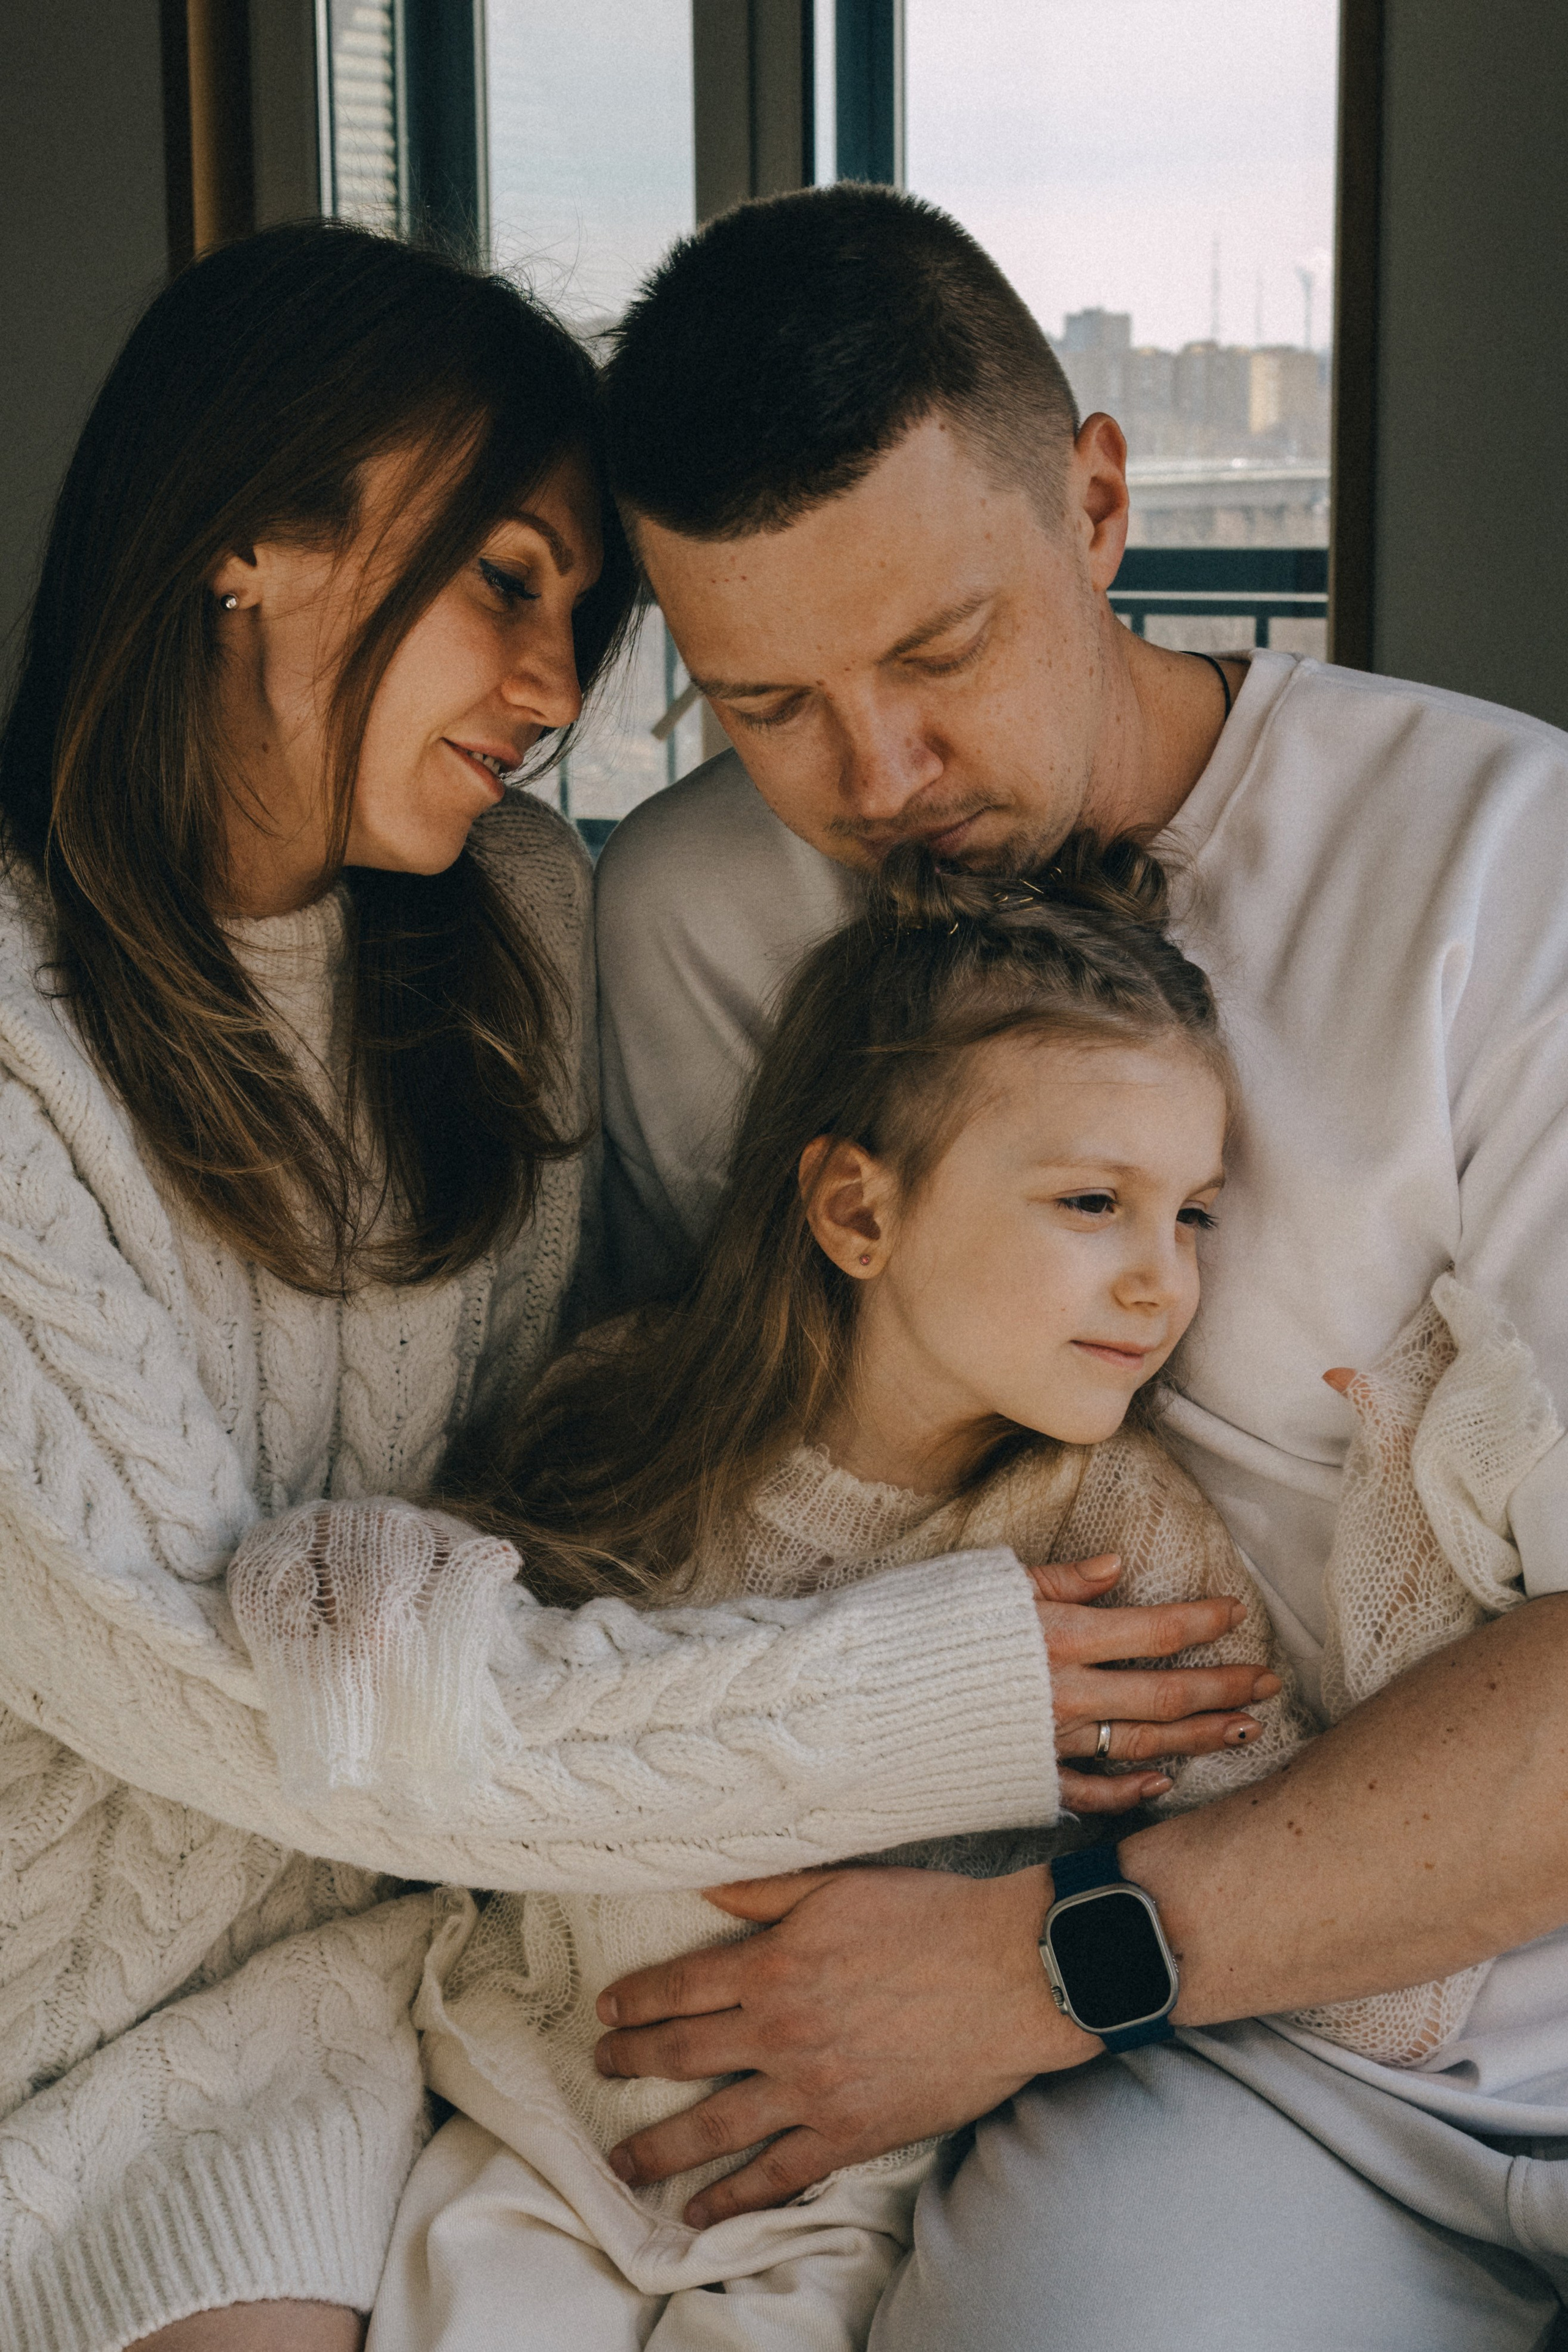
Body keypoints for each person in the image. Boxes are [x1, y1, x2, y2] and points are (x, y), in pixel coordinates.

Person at [0, 221, 1243, 2352]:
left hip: (422, 1963)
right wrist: (942, 1694)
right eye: (502, 581)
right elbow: (240, 1695)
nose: (558, 691)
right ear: (248, 548)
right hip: (71, 2011)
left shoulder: (521, 924)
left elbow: (558, 1507)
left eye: (581, 616)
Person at [586, 183, 1568, 2346]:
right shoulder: (693, 925)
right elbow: (726, 1501)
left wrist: (1057, 1957)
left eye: (943, 654)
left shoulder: (1511, 872)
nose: (880, 780)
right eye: (768, 707)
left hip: (1163, 1949)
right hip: (1247, 2081)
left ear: (1101, 501)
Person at [234, 834, 1325, 2350]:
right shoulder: (636, 1414)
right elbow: (446, 1661)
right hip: (537, 2113)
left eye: (1191, 1213)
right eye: (1092, 1203)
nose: (1163, 1282)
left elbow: (1275, 1867)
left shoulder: (1111, 1530)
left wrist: (1418, 1482)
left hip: (859, 2178)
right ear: (858, 1215)